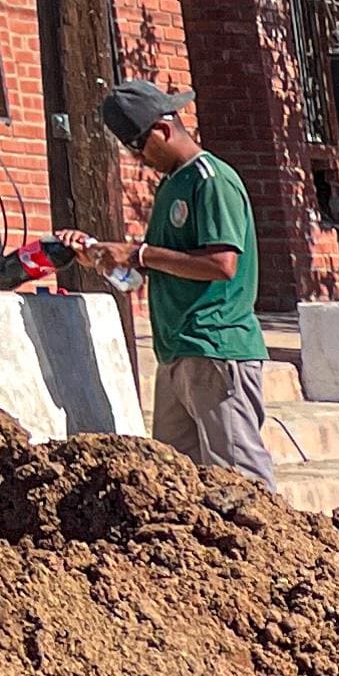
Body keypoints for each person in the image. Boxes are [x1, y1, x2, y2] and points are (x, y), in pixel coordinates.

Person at [64, 81, 271, 491]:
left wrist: (139, 254)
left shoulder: (211, 181)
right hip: (177, 351)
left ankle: (269, 552)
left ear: (162, 130)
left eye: (138, 148)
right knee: (179, 483)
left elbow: (221, 264)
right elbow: (159, 268)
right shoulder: (172, 185)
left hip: (216, 347)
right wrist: (104, 260)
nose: (138, 159)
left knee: (243, 484)